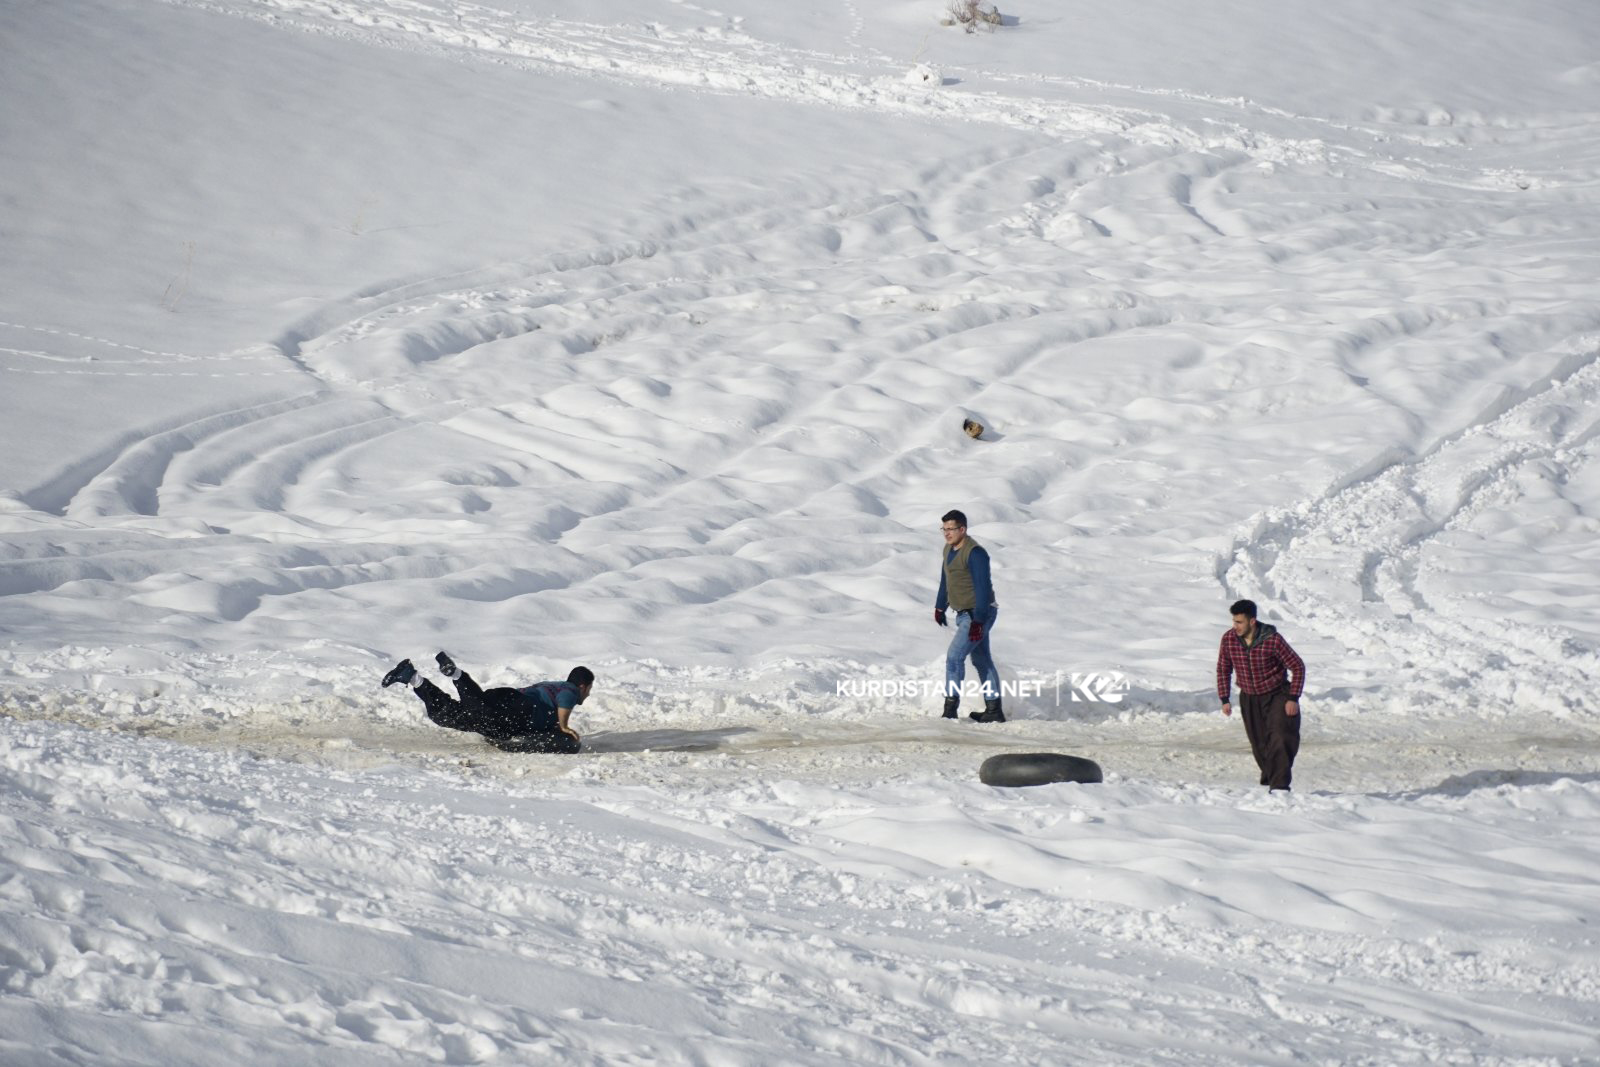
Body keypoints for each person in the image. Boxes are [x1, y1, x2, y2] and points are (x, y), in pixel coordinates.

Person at [382, 652, 593, 753]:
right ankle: (456, 675)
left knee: (445, 715)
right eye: (588, 690)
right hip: (520, 707)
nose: (588, 695)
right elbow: (566, 699)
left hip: (507, 702)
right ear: (583, 686)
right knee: (482, 711)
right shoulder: (569, 689)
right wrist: (564, 726)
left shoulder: (551, 685)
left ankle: (412, 677)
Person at [1216, 599, 1305, 791]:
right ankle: (1271, 779)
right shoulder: (1229, 639)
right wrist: (1224, 698)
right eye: (1234, 621)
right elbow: (1223, 668)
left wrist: (1293, 697)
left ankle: (1280, 787)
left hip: (1277, 694)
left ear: (1252, 621)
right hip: (1249, 698)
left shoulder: (1272, 640)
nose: (1235, 626)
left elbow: (1297, 666)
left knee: (1281, 737)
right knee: (1260, 744)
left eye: (1239, 622)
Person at [933, 509, 1004, 722]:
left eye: (951, 529)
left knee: (954, 658)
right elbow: (947, 579)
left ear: (962, 529)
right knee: (982, 659)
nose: (947, 533)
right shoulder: (948, 550)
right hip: (964, 614)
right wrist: (939, 606)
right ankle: (994, 711)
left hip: (978, 613)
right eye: (944, 529)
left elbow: (983, 589)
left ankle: (950, 710)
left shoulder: (976, 553)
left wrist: (979, 621)